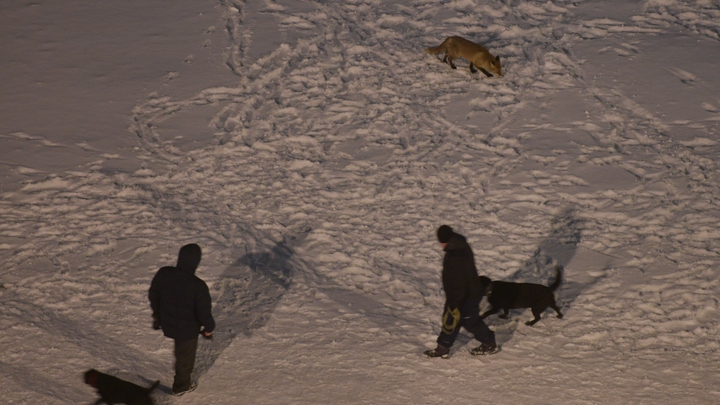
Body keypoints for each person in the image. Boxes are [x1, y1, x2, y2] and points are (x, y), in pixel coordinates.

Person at [149, 243, 215, 395]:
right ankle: (182, 386)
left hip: (167, 322)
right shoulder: (198, 286)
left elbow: (154, 295)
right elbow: (204, 312)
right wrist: (209, 328)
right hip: (187, 330)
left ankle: (179, 364)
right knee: (186, 357)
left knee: (180, 350)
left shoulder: (164, 273)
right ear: (196, 262)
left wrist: (157, 314)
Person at [424, 225, 498, 358]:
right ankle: (443, 347)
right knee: (452, 321)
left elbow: (458, 283)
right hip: (465, 293)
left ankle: (489, 343)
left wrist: (454, 302)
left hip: (465, 296)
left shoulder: (454, 256)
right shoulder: (460, 245)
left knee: (469, 321)